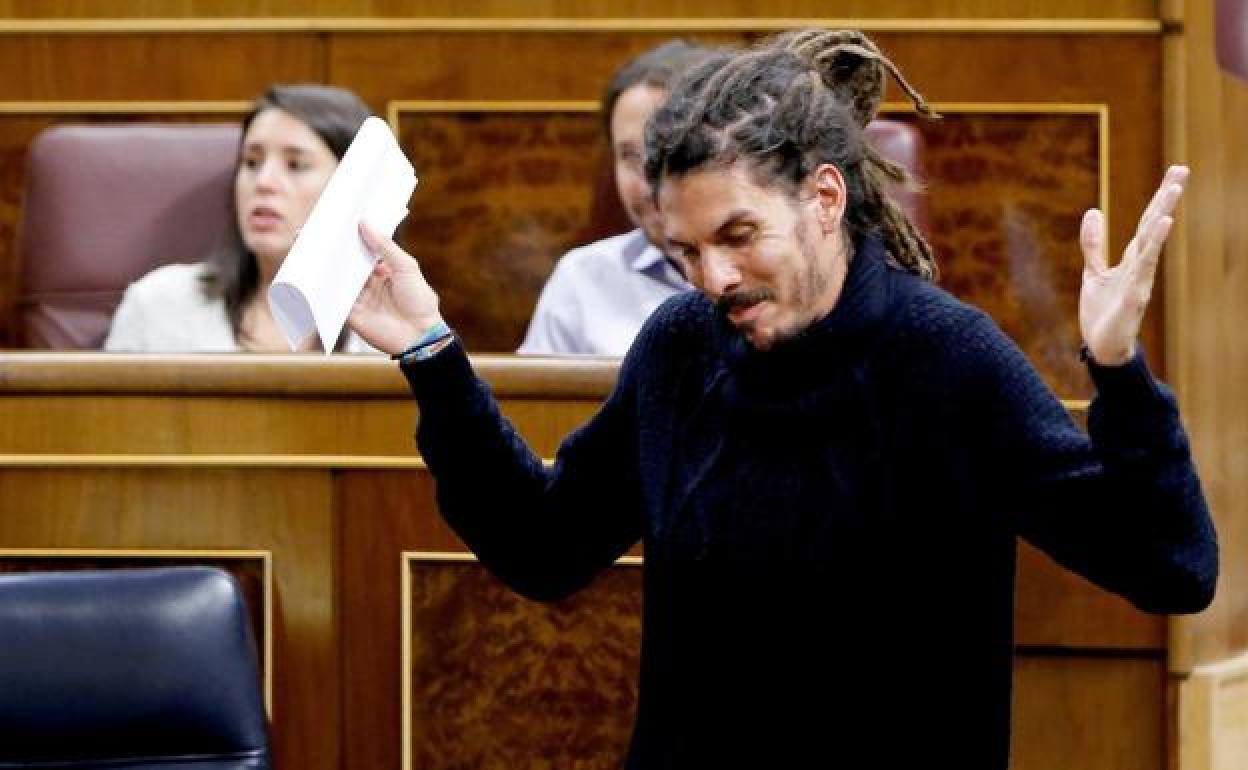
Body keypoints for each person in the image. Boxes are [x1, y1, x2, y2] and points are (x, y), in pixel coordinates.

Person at [348, 29, 1217, 768]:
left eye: (738, 235)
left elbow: (1170, 568)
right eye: (686, 250)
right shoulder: (682, 346)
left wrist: (1117, 369)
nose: (714, 278)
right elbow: (544, 548)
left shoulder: (948, 360)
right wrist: (433, 354)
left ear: (825, 197)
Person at [104, 84, 377, 353]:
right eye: (251, 162)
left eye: (295, 165)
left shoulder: (388, 324)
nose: (264, 182)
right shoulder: (158, 305)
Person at [517, 40, 705, 355]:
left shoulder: (777, 271)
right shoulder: (582, 279)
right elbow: (538, 404)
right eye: (630, 156)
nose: (650, 185)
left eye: (671, 154)